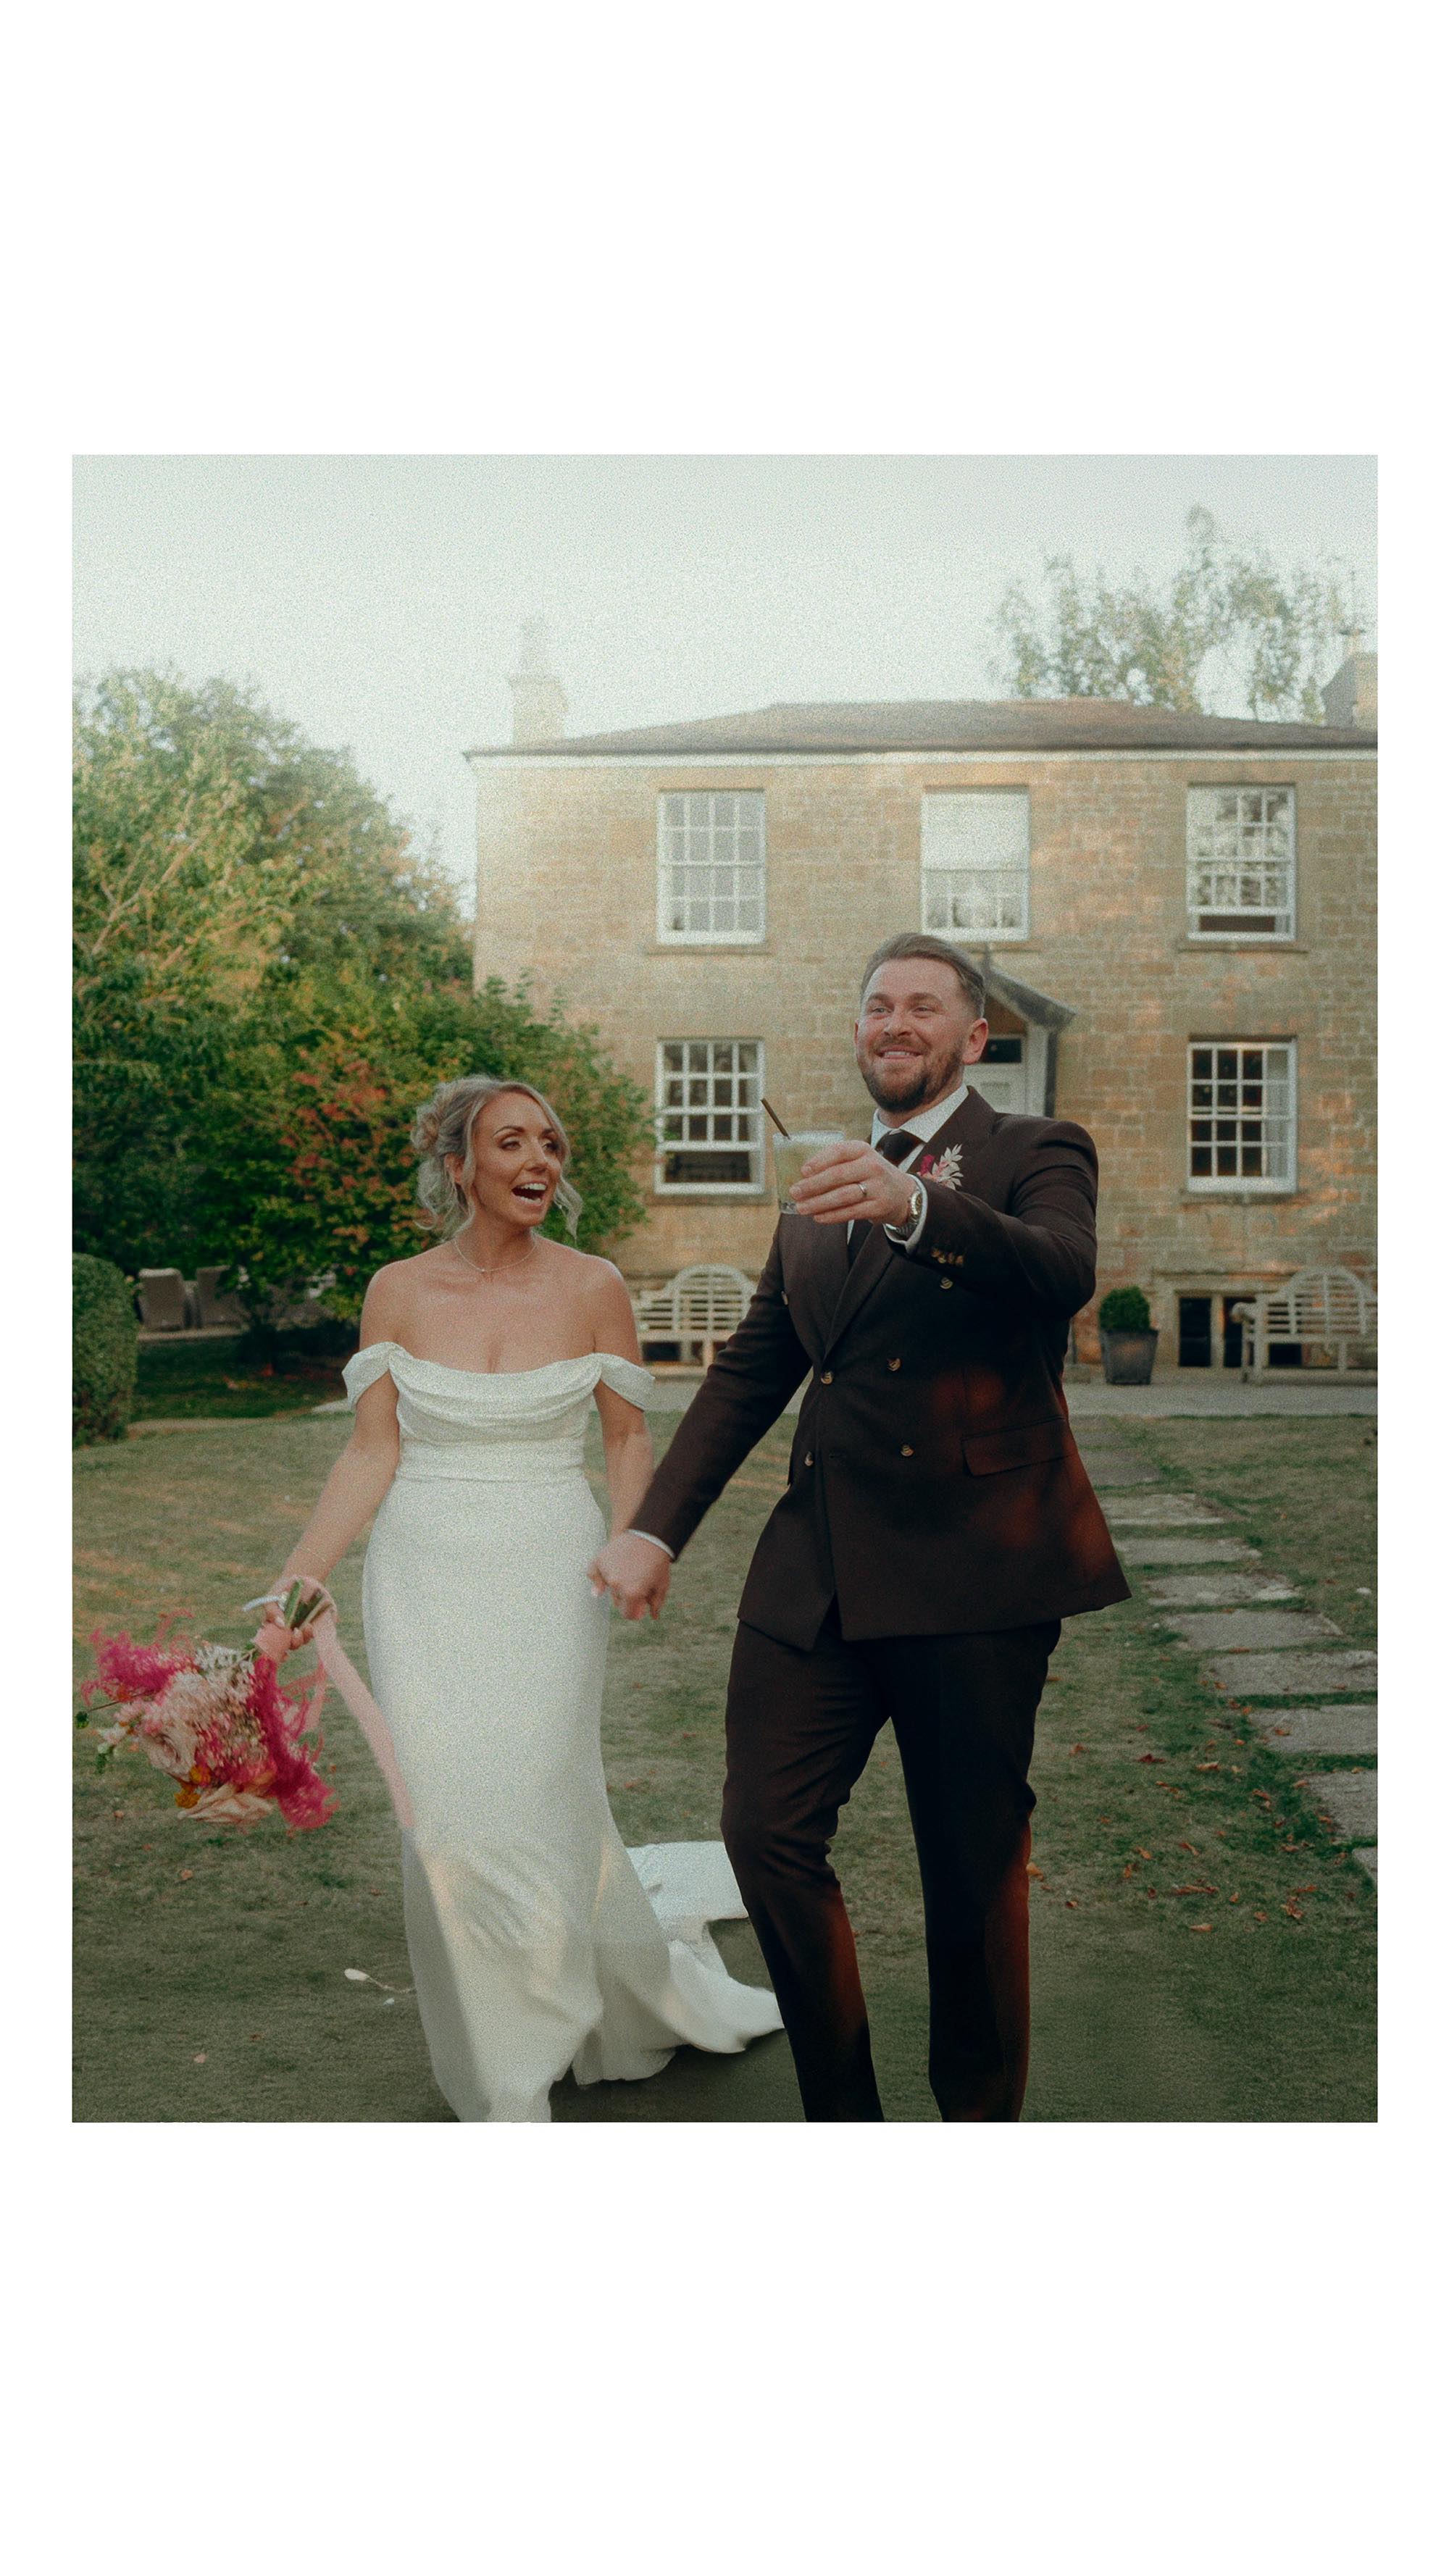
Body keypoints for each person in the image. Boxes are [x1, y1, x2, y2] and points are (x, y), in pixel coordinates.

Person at [590, 932, 1129, 2123]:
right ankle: (845, 2122)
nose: (894, 1023)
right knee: (762, 1833)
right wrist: (654, 1530)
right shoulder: (819, 1178)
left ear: (972, 1036)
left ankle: (974, 2125)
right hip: (817, 1575)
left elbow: (1061, 1271)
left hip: (977, 1578)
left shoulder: (1034, 1149)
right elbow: (752, 1369)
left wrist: (918, 1206)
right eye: (876, 1003)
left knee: (972, 1870)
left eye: (923, 1007)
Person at [258, 1074, 781, 2122]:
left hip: (549, 1570)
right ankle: (510, 2072)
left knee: (541, 1797)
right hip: (423, 1575)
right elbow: (371, 1453)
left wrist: (645, 1544)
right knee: (443, 1822)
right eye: (511, 1143)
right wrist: (297, 1583)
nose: (540, 1161)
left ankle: (542, 2041)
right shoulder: (396, 1290)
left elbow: (629, 1440)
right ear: (458, 1165)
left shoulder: (595, 1287)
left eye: (550, 1142)